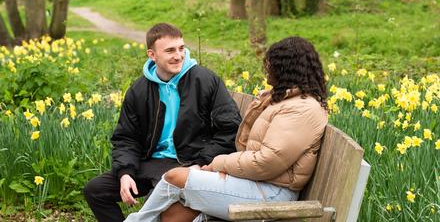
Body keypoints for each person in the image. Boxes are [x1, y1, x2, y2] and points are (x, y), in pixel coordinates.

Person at [125, 36, 329, 222]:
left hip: (274, 194)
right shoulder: (283, 100)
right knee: (174, 214)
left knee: (174, 177)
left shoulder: (302, 109)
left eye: (271, 65)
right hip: (257, 182)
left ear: (287, 69)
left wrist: (218, 165)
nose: (267, 70)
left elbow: (267, 162)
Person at [83, 23, 242, 222]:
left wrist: (200, 163)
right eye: (170, 50)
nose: (178, 55)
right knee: (95, 190)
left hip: (189, 162)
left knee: (158, 202)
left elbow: (230, 129)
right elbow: (126, 137)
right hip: (151, 163)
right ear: (152, 55)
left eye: (181, 48)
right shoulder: (139, 90)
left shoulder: (205, 80)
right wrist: (125, 172)